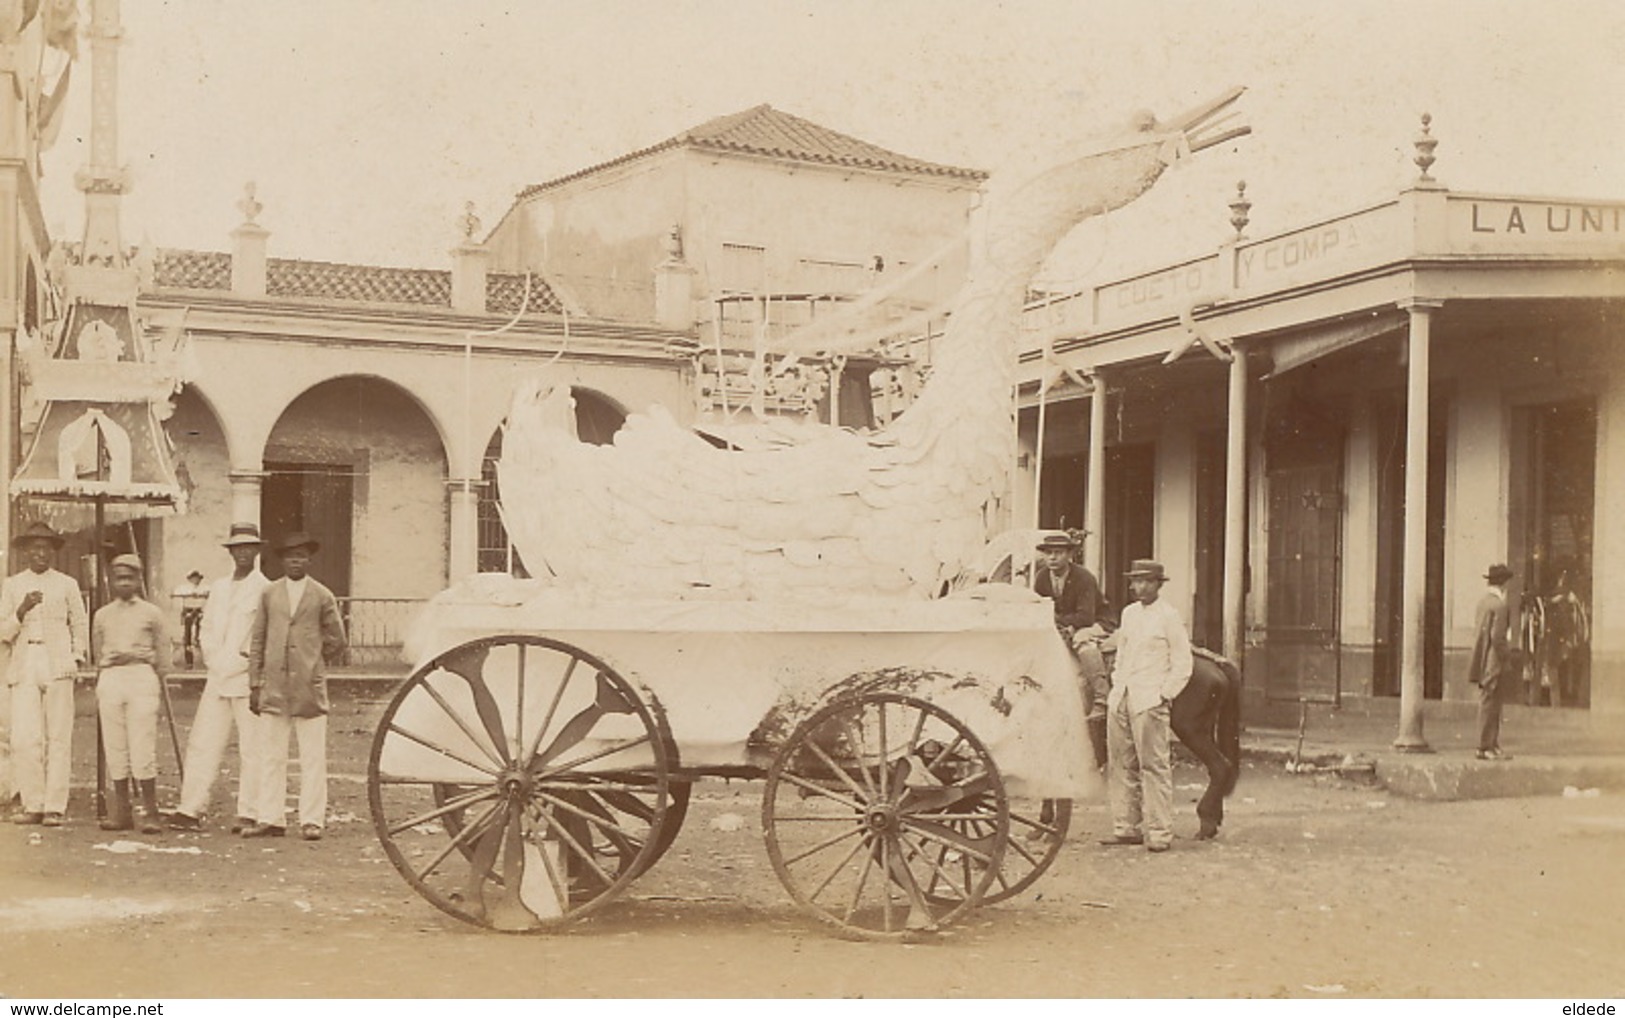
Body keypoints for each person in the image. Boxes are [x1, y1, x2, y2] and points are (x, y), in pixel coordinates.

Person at [168, 524, 270, 832]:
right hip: (217, 676)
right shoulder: (220, 588)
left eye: (249, 548)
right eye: (237, 548)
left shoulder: (265, 589)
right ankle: (190, 809)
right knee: (203, 741)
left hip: (246, 677)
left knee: (253, 747)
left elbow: (258, 636)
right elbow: (207, 630)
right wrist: (215, 661)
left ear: (257, 551)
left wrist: (238, 664)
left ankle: (249, 812)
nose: (243, 553)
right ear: (230, 552)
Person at [246, 532, 346, 841]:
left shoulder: (321, 595)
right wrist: (255, 682)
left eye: (301, 556)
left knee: (312, 756)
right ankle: (270, 818)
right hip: (274, 685)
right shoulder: (269, 594)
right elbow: (258, 639)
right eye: (290, 557)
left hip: (308, 687)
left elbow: (337, 639)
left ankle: (312, 820)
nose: (295, 561)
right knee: (271, 754)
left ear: (309, 560)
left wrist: (312, 661)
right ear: (282, 560)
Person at [0, 521, 89, 827]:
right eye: (34, 548)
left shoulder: (66, 584)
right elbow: (3, 631)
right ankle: (32, 803)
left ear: (53, 552)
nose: (40, 553)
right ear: (25, 552)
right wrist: (21, 610)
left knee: (59, 735)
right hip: (25, 661)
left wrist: (76, 657)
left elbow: (79, 623)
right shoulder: (12, 585)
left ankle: (54, 806)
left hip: (57, 661)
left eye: (46, 548)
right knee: (26, 738)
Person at [1100, 559, 1192, 853]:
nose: (1139, 587)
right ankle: (1126, 827)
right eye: (1136, 582)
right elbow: (1122, 654)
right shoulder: (1128, 614)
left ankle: (1159, 832)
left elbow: (1182, 662)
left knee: (1153, 765)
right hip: (1123, 696)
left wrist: (1164, 694)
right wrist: (1117, 685)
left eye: (1146, 582)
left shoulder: (1169, 616)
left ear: (1158, 584)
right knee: (1121, 763)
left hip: (1149, 699)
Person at [93, 554, 170, 834]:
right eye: (119, 578)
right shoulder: (102, 615)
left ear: (139, 580)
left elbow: (164, 653)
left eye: (130, 577)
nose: (124, 583)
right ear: (111, 582)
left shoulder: (152, 613)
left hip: (141, 676)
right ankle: (121, 812)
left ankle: (151, 812)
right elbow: (97, 651)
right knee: (116, 747)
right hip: (112, 677)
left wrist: (157, 675)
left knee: (142, 745)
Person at [1031, 531, 1112, 771]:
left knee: (1083, 643)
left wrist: (1061, 621)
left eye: (1058, 553)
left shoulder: (1083, 577)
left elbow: (1086, 616)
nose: (1052, 558)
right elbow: (1039, 608)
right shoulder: (1042, 578)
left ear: (1069, 555)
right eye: (1048, 554)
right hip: (1062, 625)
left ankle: (1101, 697)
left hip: (1096, 622)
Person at [1467, 563, 1515, 761]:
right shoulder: (1500, 606)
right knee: (1492, 704)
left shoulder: (1483, 602)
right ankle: (1486, 746)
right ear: (1503, 584)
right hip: (1494, 661)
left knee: (1488, 702)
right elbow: (1498, 638)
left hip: (1481, 659)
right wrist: (1508, 656)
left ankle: (1489, 745)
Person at [171, 569, 208, 668]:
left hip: (199, 613)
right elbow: (176, 595)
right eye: (193, 578)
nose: (195, 580)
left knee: (202, 635)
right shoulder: (184, 588)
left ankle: (202, 659)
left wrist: (201, 596)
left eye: (197, 578)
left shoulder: (204, 588)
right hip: (189, 613)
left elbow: (208, 597)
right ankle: (189, 662)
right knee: (187, 637)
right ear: (190, 579)